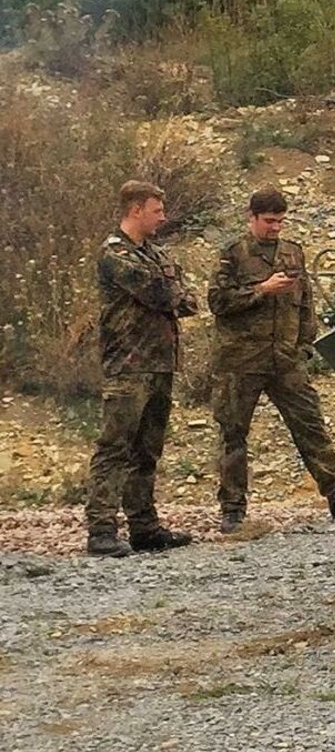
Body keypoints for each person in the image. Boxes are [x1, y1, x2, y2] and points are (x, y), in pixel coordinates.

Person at [208, 189, 335, 533]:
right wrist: (262, 290)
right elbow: (217, 302)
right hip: (241, 360)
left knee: (311, 426)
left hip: (285, 358)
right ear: (252, 217)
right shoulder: (233, 254)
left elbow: (305, 305)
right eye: (269, 221)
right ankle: (233, 508)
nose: (275, 228)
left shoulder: (292, 253)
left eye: (280, 221)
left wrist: (303, 345)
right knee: (233, 432)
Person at [81, 181, 198, 557]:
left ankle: (143, 525)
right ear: (135, 210)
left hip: (160, 364)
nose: (162, 217)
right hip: (128, 365)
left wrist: (173, 289)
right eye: (156, 210)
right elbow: (162, 293)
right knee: (115, 448)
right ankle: (101, 529)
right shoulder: (114, 254)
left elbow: (188, 299)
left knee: (147, 450)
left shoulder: (155, 254)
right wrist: (171, 289)